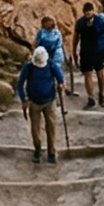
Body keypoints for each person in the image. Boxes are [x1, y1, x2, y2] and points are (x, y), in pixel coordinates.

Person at [15, 46, 61, 164]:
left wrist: (61, 84)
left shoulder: (51, 65)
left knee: (51, 127)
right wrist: (23, 98)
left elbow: (60, 78)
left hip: (50, 101)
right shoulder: (28, 67)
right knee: (35, 128)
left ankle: (52, 152)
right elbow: (20, 84)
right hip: (34, 102)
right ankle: (38, 149)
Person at [35, 16, 70, 144]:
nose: (47, 24)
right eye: (45, 22)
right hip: (43, 56)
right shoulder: (41, 33)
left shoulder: (56, 33)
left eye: (48, 22)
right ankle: (52, 98)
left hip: (55, 56)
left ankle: (61, 102)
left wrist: (52, 53)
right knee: (47, 80)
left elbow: (59, 44)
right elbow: (37, 44)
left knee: (59, 80)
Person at [73, 0, 104, 110]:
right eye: (86, 12)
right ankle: (91, 98)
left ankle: (101, 95)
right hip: (85, 52)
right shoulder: (80, 22)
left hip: (99, 51)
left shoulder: (101, 21)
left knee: (100, 74)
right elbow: (76, 38)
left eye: (89, 12)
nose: (88, 14)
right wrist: (74, 51)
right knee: (88, 75)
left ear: (93, 11)